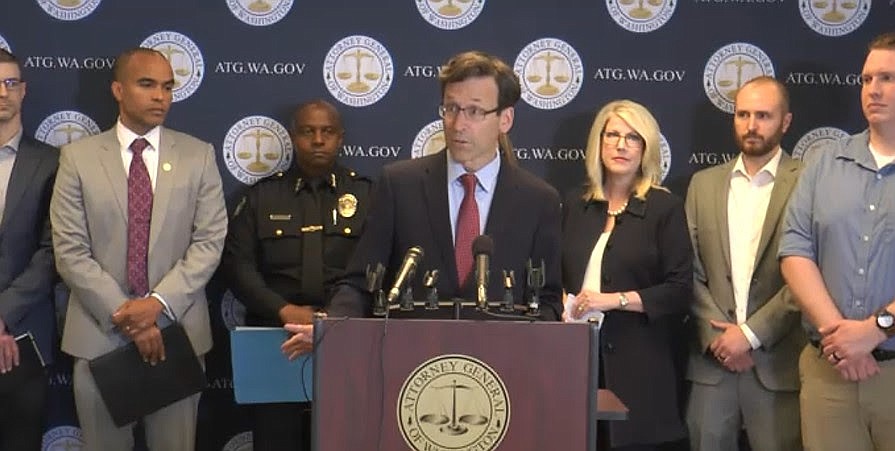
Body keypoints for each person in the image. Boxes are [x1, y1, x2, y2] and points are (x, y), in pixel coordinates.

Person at [282, 50, 562, 354]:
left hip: (501, 369)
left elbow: (546, 302)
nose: (458, 124)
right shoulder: (400, 184)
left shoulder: (538, 201)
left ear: (505, 119)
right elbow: (361, 281)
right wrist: (331, 328)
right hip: (411, 364)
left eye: (474, 112)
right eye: (451, 108)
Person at [49, 47, 227, 451]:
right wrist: (129, 315)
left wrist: (158, 304)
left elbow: (209, 242)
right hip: (99, 337)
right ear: (118, 89)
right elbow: (70, 250)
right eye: (147, 84)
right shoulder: (77, 159)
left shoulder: (199, 156)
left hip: (177, 337)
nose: (160, 96)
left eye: (167, 87)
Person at [221, 99, 371, 451]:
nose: (318, 139)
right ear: (293, 136)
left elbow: (373, 268)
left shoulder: (367, 195)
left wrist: (331, 319)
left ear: (341, 138)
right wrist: (284, 311)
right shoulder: (262, 196)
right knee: (277, 440)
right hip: (276, 339)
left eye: (327, 132)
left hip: (344, 337)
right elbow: (238, 267)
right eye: (308, 131)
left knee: (342, 440)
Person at [779, 31, 895, 451]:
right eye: (866, 80)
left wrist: (876, 330)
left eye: (887, 78)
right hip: (830, 372)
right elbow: (794, 248)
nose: (873, 90)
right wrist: (841, 337)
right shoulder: (826, 161)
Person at [563, 100, 692, 450]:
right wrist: (562, 298)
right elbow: (554, 275)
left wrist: (615, 301)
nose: (621, 145)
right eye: (613, 135)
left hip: (642, 368)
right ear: (598, 142)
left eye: (633, 137)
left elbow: (680, 290)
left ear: (646, 148)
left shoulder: (664, 208)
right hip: (576, 363)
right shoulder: (576, 205)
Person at [685, 76, 804, 451]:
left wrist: (750, 335)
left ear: (785, 122)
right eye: (743, 115)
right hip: (712, 366)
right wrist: (720, 339)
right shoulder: (702, 184)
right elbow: (686, 270)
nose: (751, 126)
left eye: (764, 116)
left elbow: (809, 274)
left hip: (777, 366)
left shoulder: (810, 182)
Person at [0, 48, 58, 451]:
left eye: (9, 83)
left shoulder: (54, 163)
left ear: (23, 91)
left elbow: (54, 250)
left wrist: (1, 316)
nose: (2, 92)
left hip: (22, 339)